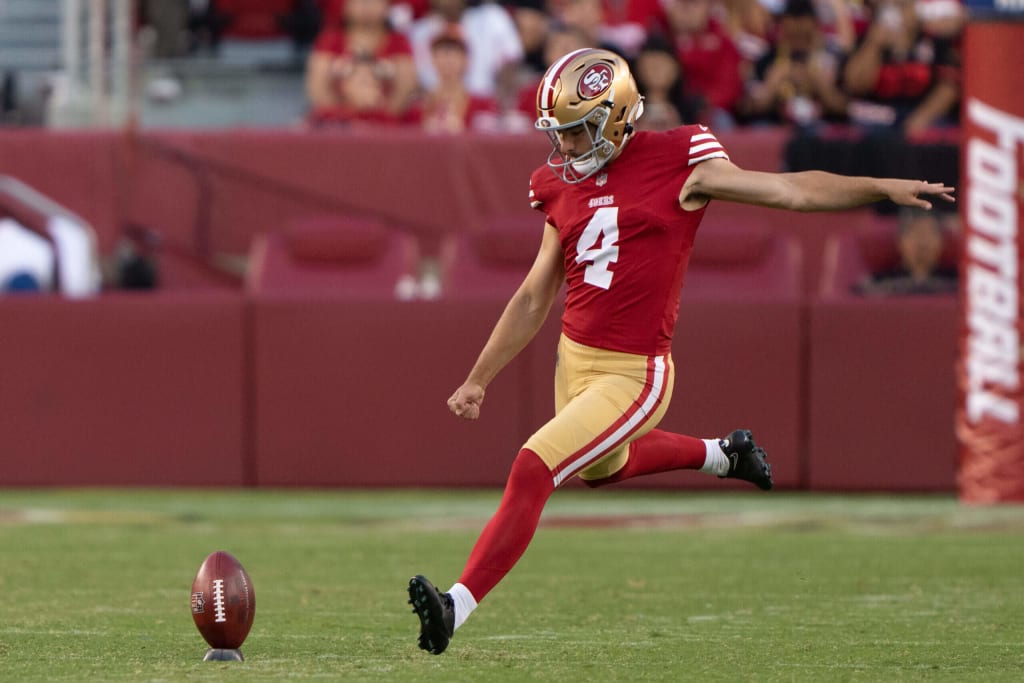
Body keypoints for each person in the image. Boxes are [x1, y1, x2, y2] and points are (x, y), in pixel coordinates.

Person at [406, 47, 954, 655]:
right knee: (600, 468)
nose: (564, 146)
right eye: (558, 132)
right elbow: (536, 292)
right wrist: (479, 377)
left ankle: (455, 606)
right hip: (574, 356)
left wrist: (877, 187)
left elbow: (790, 191)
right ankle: (724, 454)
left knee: (534, 467)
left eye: (577, 130)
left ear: (616, 118)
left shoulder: (680, 157)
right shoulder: (557, 183)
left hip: (634, 374)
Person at [854, 208, 958, 295]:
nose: (923, 241)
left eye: (930, 233)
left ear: (942, 241)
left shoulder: (959, 285)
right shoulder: (876, 286)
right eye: (915, 233)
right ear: (900, 241)